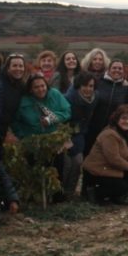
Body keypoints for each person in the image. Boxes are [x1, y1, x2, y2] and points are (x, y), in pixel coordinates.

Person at [14, 73, 76, 201]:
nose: (40, 89)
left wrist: (50, 119)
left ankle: (56, 196)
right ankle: (35, 197)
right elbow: (15, 121)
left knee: (56, 166)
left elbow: (67, 111)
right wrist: (21, 136)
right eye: (36, 87)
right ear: (31, 89)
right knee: (34, 167)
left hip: (53, 139)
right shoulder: (24, 101)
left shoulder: (55, 94)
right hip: (31, 140)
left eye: (42, 86)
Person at [82, 105, 128, 204]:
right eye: (123, 118)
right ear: (117, 119)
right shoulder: (110, 134)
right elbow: (113, 159)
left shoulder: (125, 134)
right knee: (122, 186)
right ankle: (94, 192)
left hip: (109, 169)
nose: (127, 121)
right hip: (97, 171)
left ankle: (122, 196)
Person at [65, 72, 99, 166]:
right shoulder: (68, 99)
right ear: (78, 86)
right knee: (67, 164)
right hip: (66, 134)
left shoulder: (95, 97)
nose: (88, 89)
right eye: (84, 85)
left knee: (78, 162)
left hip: (81, 133)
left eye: (91, 86)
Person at [0, 53, 27, 143]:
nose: (18, 69)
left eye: (21, 66)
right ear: (7, 68)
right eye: (14, 66)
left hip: (13, 131)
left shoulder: (22, 85)